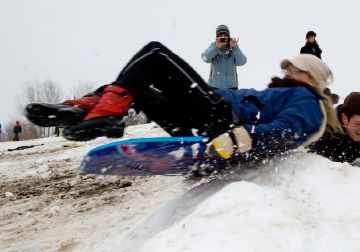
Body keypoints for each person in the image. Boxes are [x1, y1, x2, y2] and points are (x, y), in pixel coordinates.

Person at [26, 42, 340, 164]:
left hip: (221, 121)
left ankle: (100, 111)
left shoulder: (307, 101)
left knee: (156, 55)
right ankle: (84, 111)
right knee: (141, 87)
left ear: (310, 77)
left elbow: (288, 131)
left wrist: (240, 139)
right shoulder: (292, 92)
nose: (285, 72)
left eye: (292, 69)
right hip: (205, 123)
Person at [201, 25, 247, 89]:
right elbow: (205, 58)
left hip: (231, 88)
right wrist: (216, 47)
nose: (223, 38)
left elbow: (242, 62)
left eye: (225, 35)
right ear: (217, 37)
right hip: (214, 87)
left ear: (228, 37)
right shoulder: (213, 46)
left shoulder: (233, 48)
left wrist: (235, 48)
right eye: (221, 36)